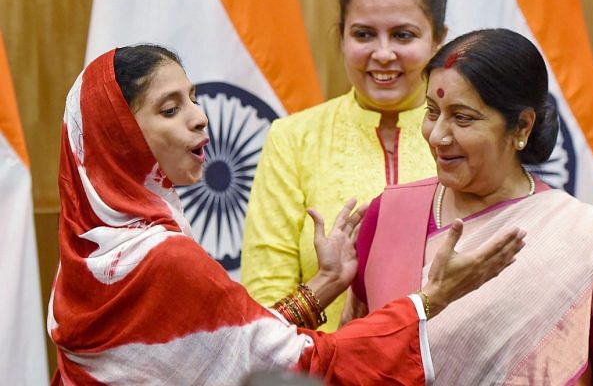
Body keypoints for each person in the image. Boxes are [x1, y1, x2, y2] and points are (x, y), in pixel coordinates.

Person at [47, 44, 527, 385]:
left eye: (193, 98)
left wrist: (326, 283)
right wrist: (430, 300)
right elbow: (299, 365)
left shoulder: (92, 251)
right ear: (120, 138)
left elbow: (229, 349)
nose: (199, 117)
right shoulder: (160, 259)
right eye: (169, 109)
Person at [345, 29, 593, 384]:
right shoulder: (388, 214)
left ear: (522, 126)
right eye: (432, 112)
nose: (438, 136)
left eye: (462, 118)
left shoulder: (589, 243)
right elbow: (347, 361)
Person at [241, 0, 448, 331]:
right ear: (340, 37)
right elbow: (264, 301)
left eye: (403, 35)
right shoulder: (294, 138)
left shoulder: (464, 138)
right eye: (363, 35)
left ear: (439, 39)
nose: (382, 54)